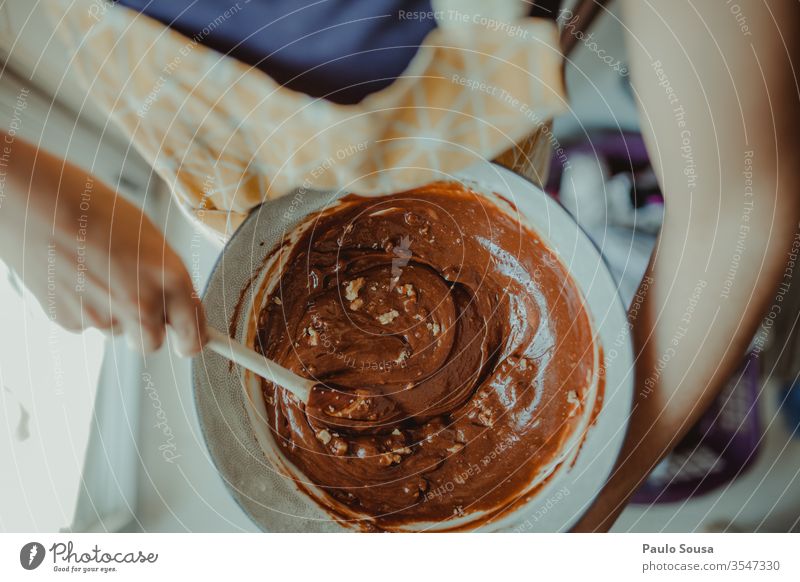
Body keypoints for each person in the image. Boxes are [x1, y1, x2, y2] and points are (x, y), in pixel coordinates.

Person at [0, 0, 797, 530]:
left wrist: (584, 499)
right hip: (206, 170)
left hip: (485, 173)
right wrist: (15, 186)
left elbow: (737, 205)